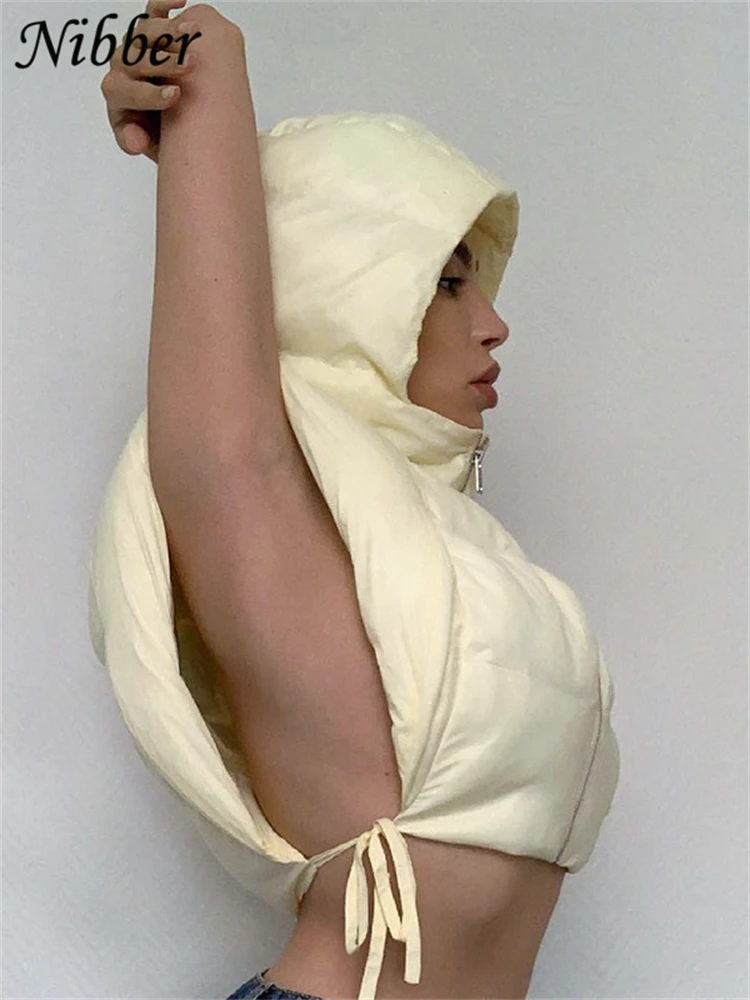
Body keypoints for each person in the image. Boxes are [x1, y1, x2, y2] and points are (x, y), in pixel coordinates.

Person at [92, 4, 620, 1000]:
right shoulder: (256, 498)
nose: (495, 324)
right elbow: (198, 49)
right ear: (343, 293)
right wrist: (187, 66)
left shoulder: (447, 558)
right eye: (447, 284)